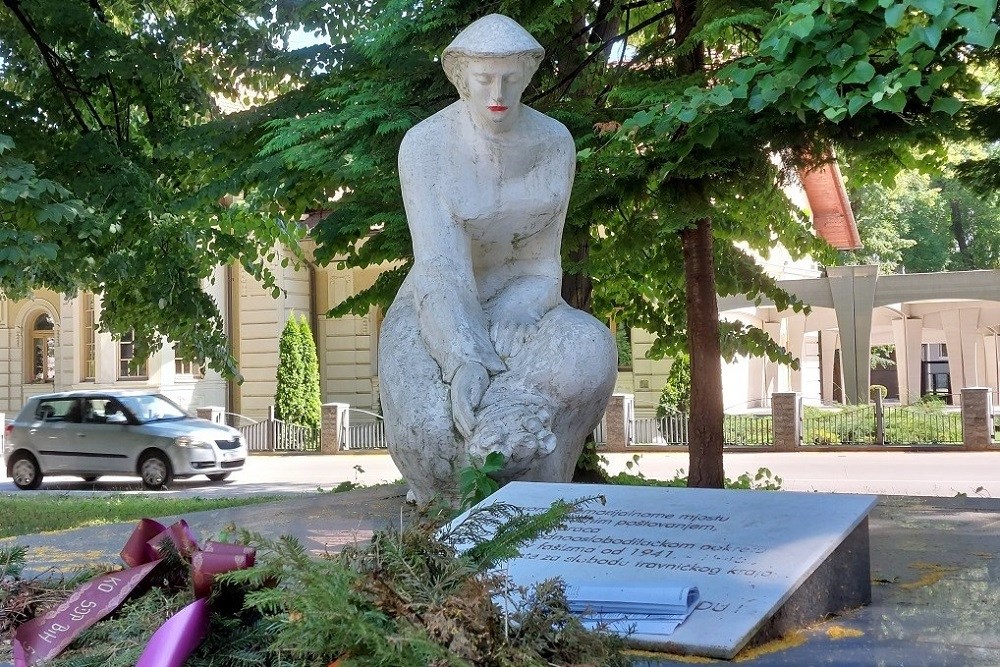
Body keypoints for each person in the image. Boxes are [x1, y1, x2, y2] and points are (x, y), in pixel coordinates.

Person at [379, 14, 618, 506]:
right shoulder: (426, 146)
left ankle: (525, 449)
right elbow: (441, 268)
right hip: (439, 306)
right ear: (459, 77)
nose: (499, 92)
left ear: (529, 75)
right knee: (434, 439)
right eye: (485, 79)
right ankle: (475, 462)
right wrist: (461, 358)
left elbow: (542, 263)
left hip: (525, 300)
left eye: (511, 78)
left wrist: (522, 307)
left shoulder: (555, 143)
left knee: (591, 347)